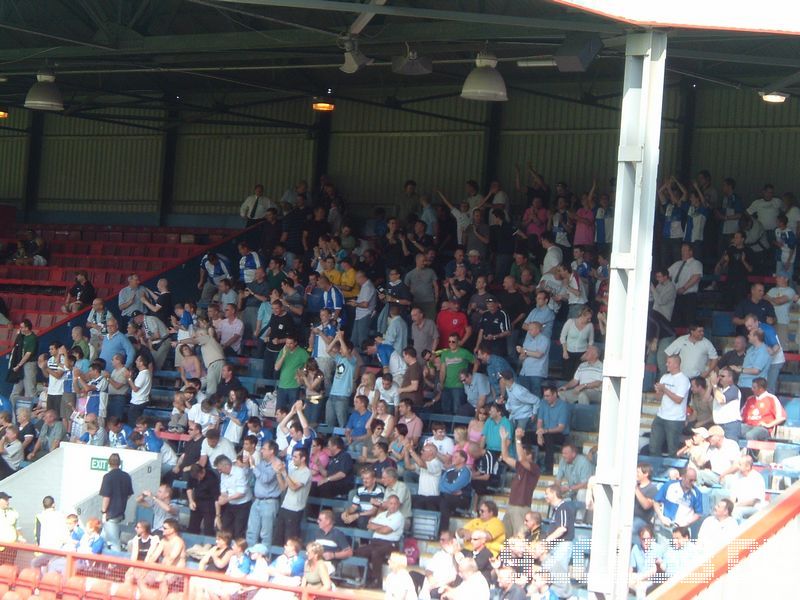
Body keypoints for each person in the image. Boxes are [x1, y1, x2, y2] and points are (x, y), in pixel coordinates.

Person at [354, 494, 405, 588]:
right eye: (391, 503)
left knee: (376, 553)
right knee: (359, 552)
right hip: (375, 542)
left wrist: (377, 527)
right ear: (387, 504)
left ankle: (377, 581)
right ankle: (367, 579)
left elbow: (386, 531)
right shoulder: (382, 514)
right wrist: (382, 527)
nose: (393, 506)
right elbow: (369, 525)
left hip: (390, 545)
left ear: (398, 505)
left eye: (395, 504)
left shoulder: (399, 517)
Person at [650, 355, 691, 457]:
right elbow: (658, 397)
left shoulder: (684, 380)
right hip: (661, 416)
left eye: (669, 362)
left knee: (672, 449)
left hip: (675, 419)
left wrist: (664, 389)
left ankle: (672, 472)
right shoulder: (664, 377)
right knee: (653, 447)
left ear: (676, 364)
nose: (666, 364)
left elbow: (678, 400)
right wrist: (658, 390)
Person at [246, 441, 281, 548]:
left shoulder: (277, 464)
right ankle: (250, 555)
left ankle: (264, 558)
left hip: (269, 501)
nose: (261, 450)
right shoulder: (262, 462)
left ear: (272, 451)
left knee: (266, 534)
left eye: (264, 449)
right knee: (251, 532)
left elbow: (265, 479)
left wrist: (252, 466)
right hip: (257, 500)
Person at [273, 447, 311, 545]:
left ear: (303, 458)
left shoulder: (306, 472)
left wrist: (285, 473)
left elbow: (294, 487)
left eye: (295, 457)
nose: (293, 458)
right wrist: (278, 473)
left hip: (295, 510)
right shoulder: (293, 471)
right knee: (278, 537)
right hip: (285, 506)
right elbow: (283, 487)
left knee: (289, 539)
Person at [653, 468, 703, 539]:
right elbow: (656, 501)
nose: (692, 483)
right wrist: (661, 517)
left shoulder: (696, 493)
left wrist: (687, 522)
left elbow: (698, 513)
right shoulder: (669, 486)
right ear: (683, 477)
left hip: (682, 531)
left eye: (694, 480)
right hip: (665, 528)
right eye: (690, 480)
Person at [100, 452, 134, 552]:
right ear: (119, 463)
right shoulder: (126, 476)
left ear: (109, 463)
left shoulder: (107, 477)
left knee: (114, 543)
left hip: (110, 514)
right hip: (120, 512)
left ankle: (116, 565)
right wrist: (121, 501)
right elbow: (129, 494)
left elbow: (106, 497)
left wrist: (103, 512)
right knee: (102, 539)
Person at [668, 243, 703, 328]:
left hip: (689, 297)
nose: (682, 253)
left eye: (684, 251)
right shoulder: (677, 264)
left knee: (688, 322)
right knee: (675, 321)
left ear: (691, 252)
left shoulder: (696, 263)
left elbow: (696, 276)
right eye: (681, 251)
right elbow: (667, 275)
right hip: (676, 296)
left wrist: (684, 288)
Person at [543, 484, 576, 570]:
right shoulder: (557, 508)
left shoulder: (563, 507)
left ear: (554, 493)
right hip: (557, 545)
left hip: (563, 545)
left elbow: (562, 528)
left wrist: (547, 540)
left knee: (559, 571)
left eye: (547, 493)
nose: (545, 496)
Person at [187, 463, 221, 535]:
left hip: (209, 503)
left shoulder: (212, 477)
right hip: (197, 501)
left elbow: (216, 497)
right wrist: (191, 501)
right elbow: (189, 488)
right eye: (197, 478)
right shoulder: (193, 475)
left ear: (202, 471)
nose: (198, 479)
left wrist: (217, 515)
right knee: (192, 527)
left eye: (200, 476)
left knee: (208, 529)